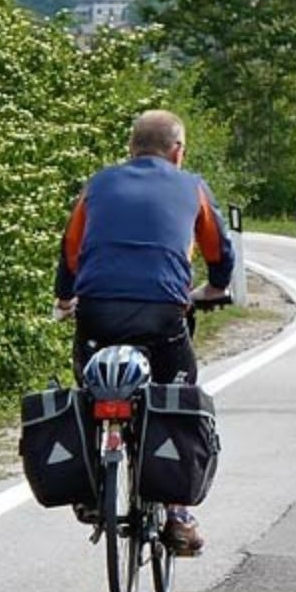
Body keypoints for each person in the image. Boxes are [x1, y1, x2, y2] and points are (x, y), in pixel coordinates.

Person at [54, 109, 234, 555]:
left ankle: (89, 485)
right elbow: (218, 249)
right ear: (178, 151)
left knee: (90, 386)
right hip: (162, 314)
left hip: (97, 311)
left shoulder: (97, 185)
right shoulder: (191, 185)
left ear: (131, 149)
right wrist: (215, 286)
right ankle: (177, 512)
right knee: (178, 393)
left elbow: (71, 250)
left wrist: (64, 299)